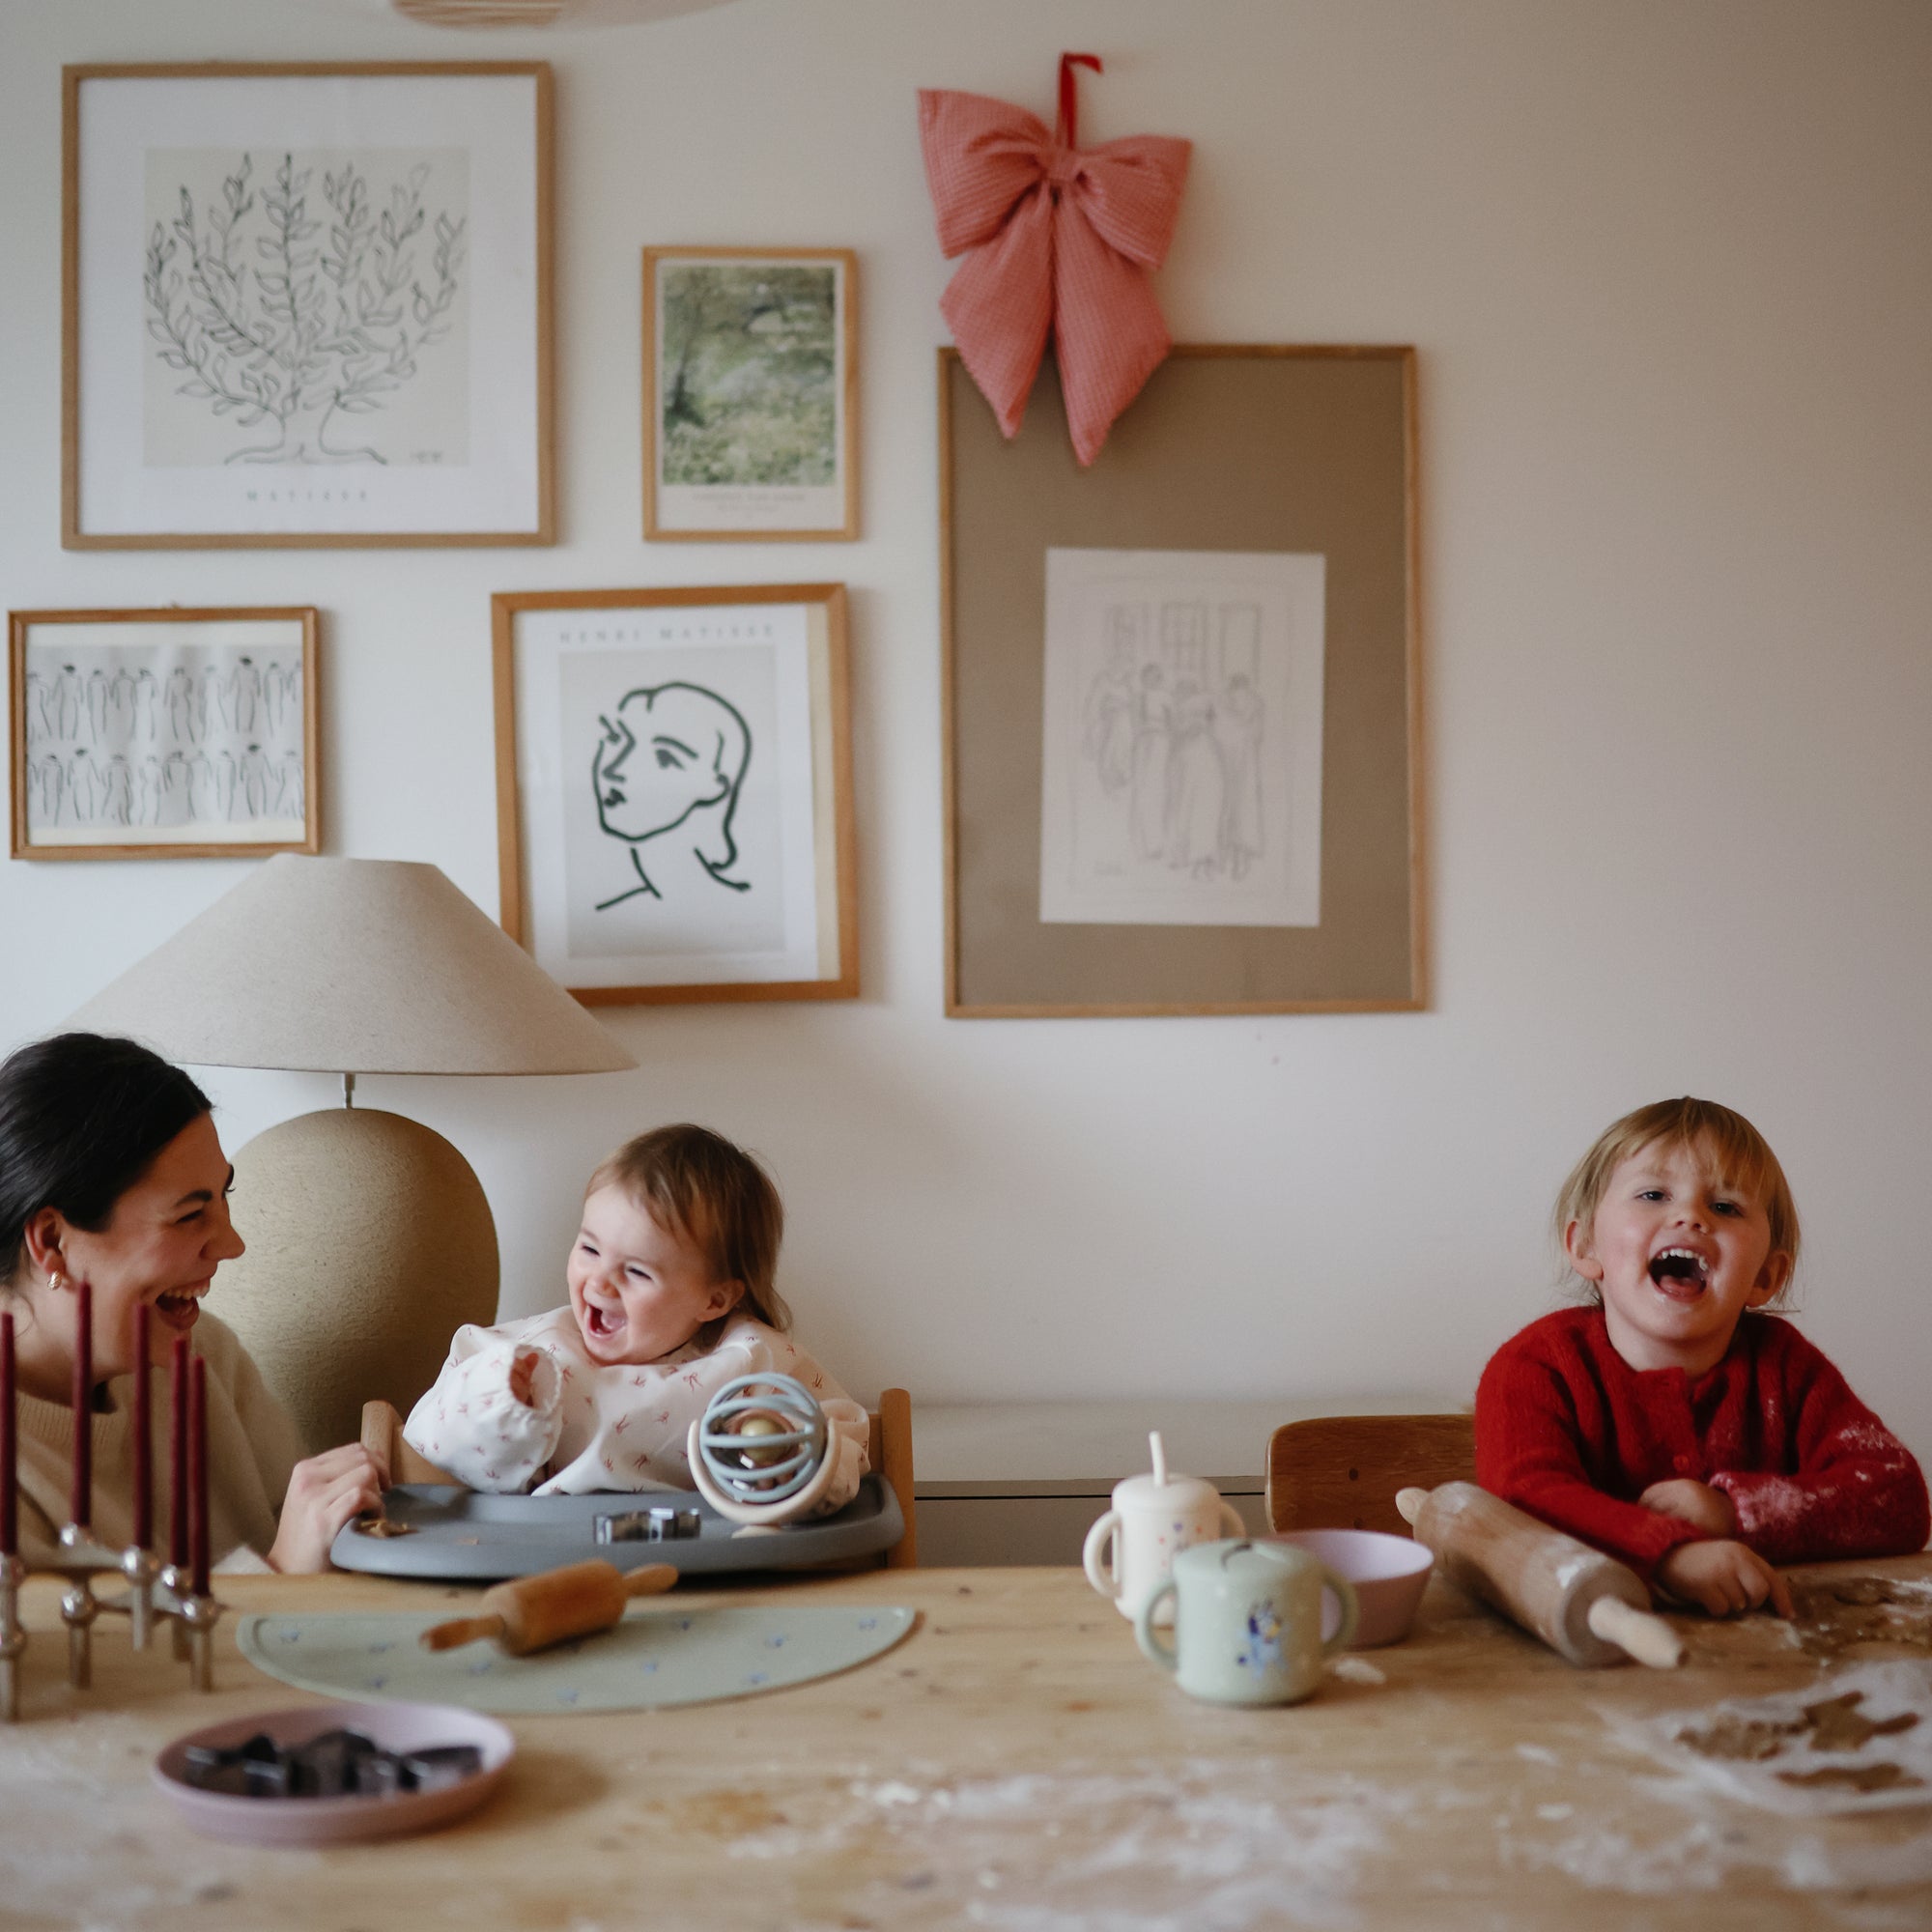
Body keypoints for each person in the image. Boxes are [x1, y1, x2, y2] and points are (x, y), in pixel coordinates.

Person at [1476, 1097, 1928, 1618]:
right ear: (1586, 1246)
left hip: (1769, 1661)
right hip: (1587, 1662)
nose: (1690, 1216)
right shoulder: (1537, 1366)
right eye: (1652, 1194)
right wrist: (1668, 1554)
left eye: (1726, 1207)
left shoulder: (1787, 1368)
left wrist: (1733, 1512)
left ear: (1765, 1276)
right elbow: (1524, 1499)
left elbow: (1898, 1498)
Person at [0, 1033, 387, 1573]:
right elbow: (64, 1659)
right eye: (188, 1215)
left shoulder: (206, 1357)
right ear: (52, 1242)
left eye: (223, 1196)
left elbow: (324, 1545)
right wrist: (278, 1577)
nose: (233, 1246)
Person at [404, 1123, 868, 1504]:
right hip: (547, 1558)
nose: (601, 1282)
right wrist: (500, 1401)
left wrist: (790, 1455)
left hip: (716, 1564)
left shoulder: (752, 1361)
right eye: (589, 1248)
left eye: (637, 1272)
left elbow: (847, 1447)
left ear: (715, 1300)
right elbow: (434, 1445)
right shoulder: (527, 1351)